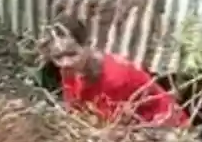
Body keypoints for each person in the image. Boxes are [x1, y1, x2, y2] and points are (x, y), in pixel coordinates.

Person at [45, 16, 189, 128]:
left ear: (88, 45)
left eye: (72, 54)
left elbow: (112, 128)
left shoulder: (114, 77)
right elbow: (75, 112)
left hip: (166, 127)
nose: (66, 62)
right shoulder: (69, 70)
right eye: (58, 57)